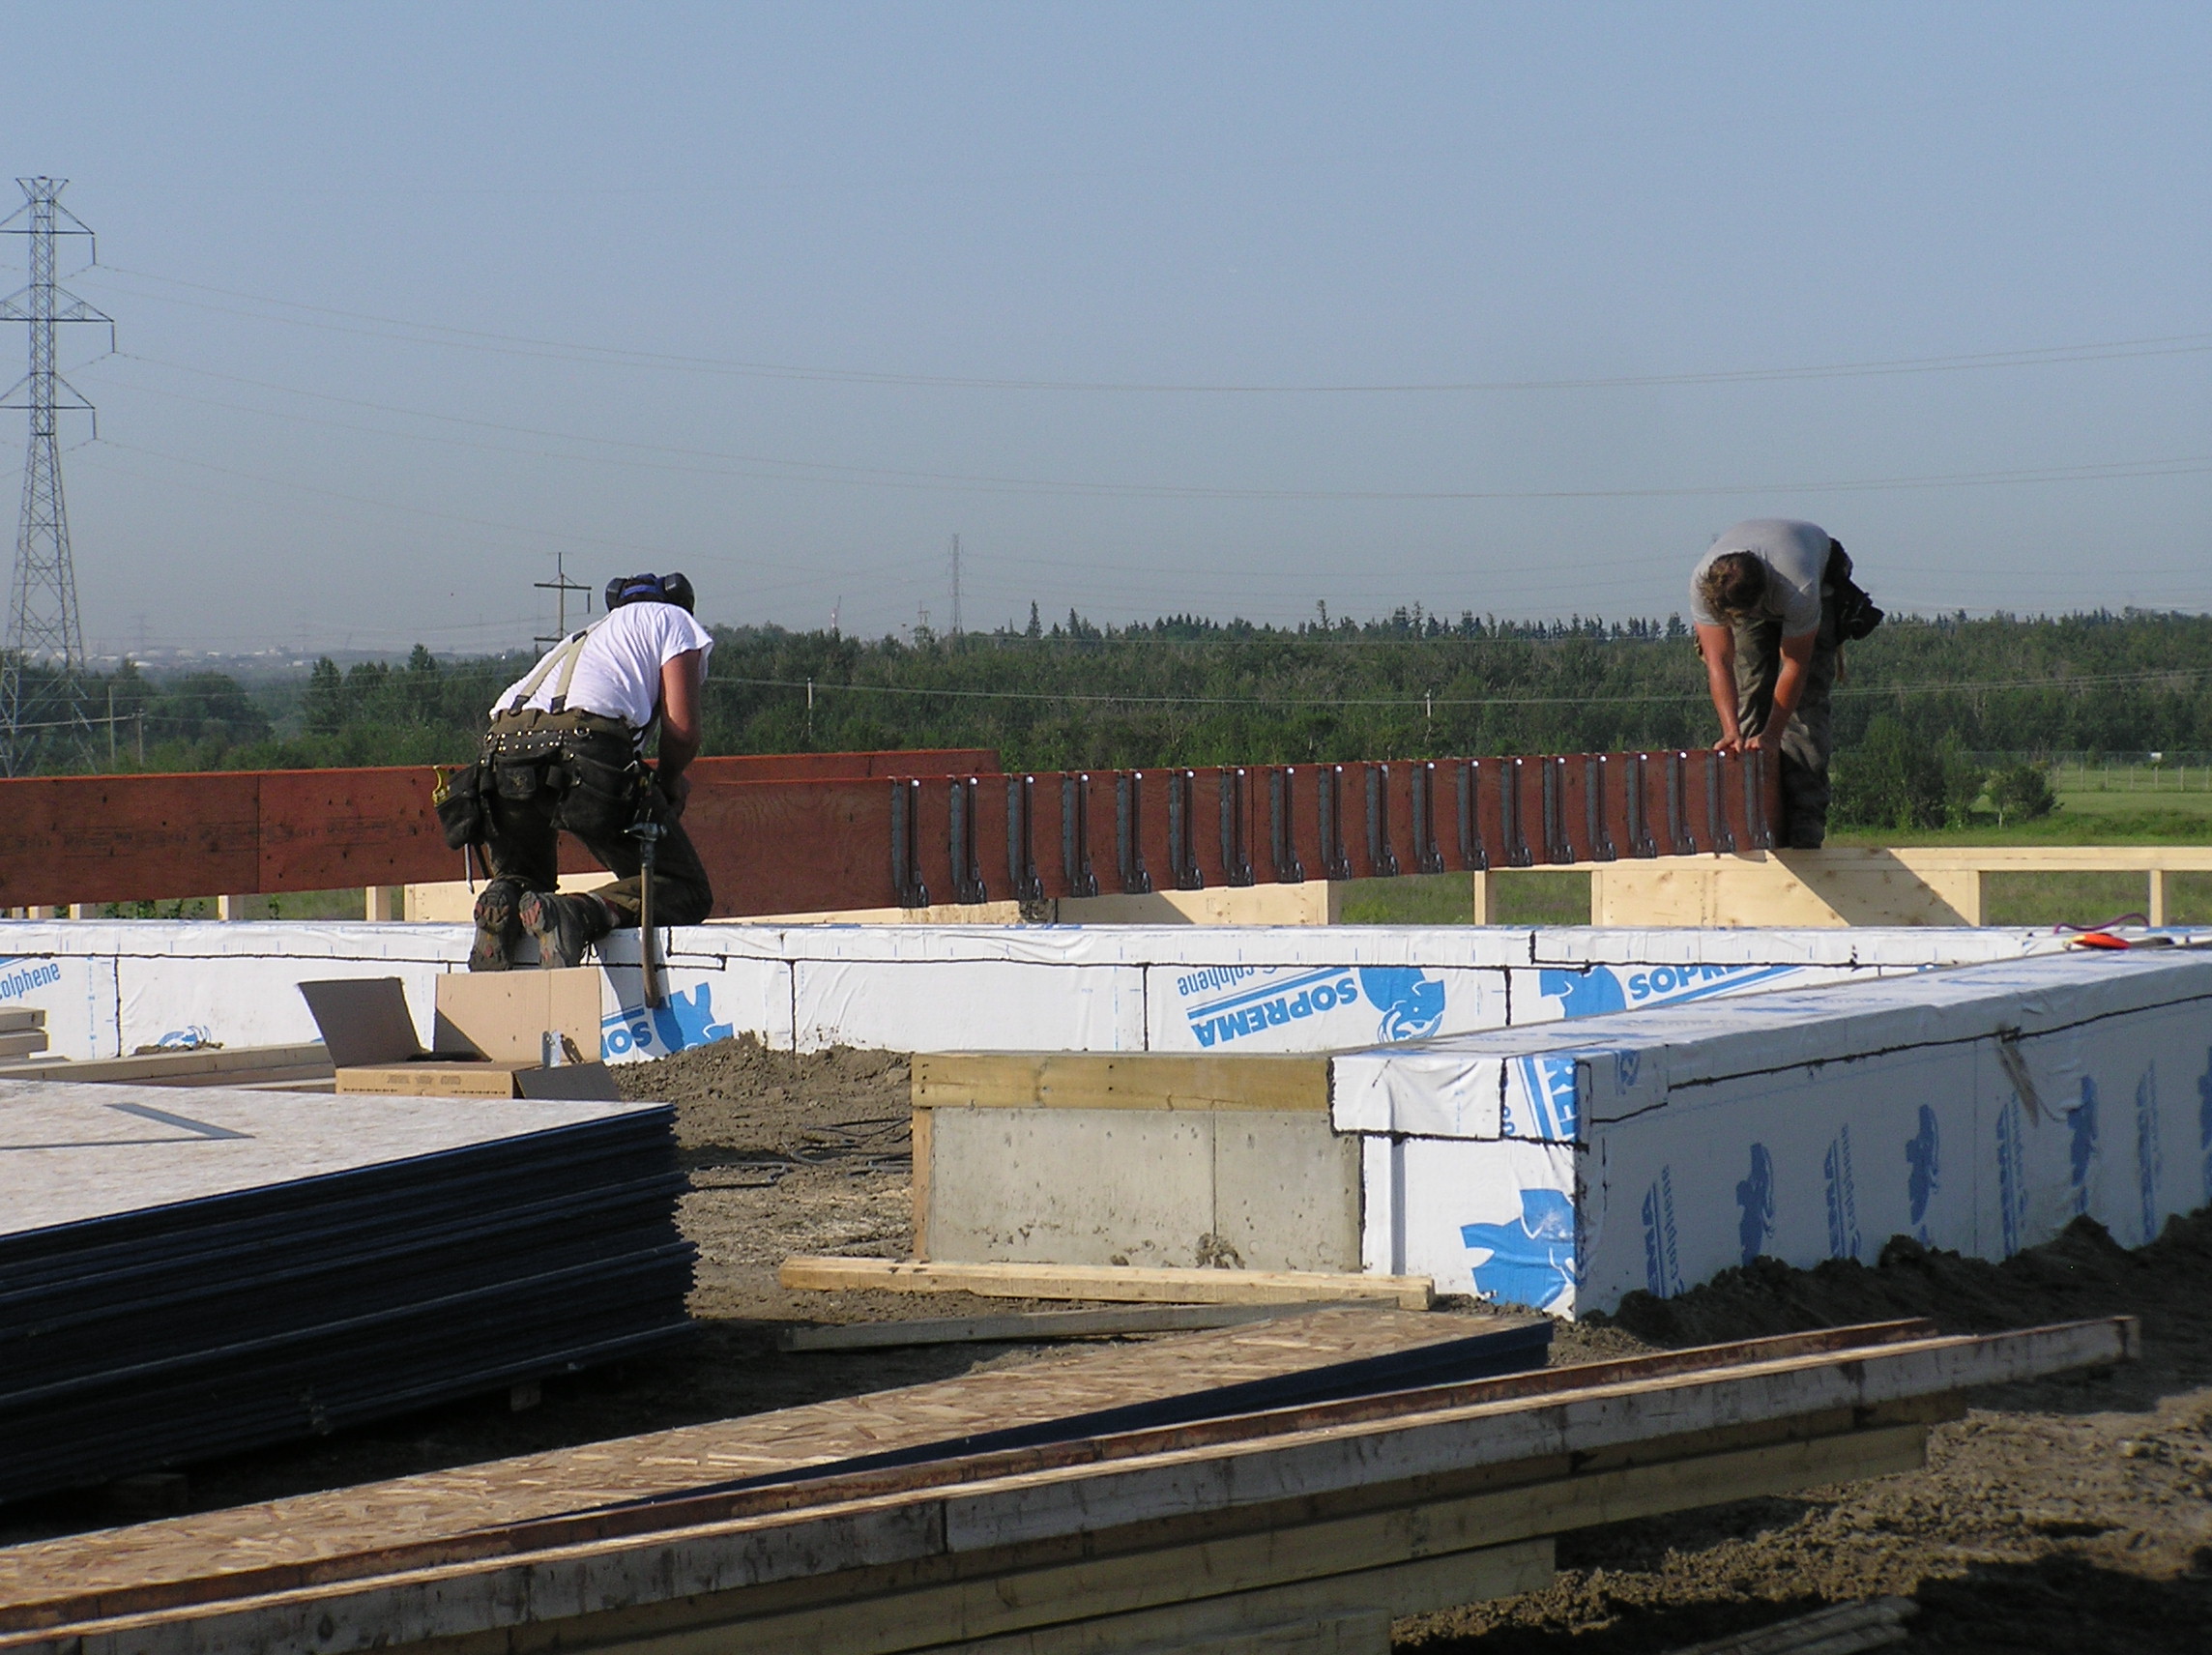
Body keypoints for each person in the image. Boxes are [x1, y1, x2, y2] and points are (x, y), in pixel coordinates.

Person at [465, 572, 715, 971]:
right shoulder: (674, 621)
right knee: (685, 888)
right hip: (580, 746)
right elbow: (682, 731)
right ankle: (577, 913)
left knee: (524, 877)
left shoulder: (585, 636)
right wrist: (667, 783)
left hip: (500, 751)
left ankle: (506, 903)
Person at [1689, 519, 1878, 849]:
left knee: (1805, 706)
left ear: (1762, 600)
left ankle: (1805, 820)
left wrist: (1774, 734)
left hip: (1819, 578)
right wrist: (1731, 730)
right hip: (1752, 585)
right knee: (1750, 692)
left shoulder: (1798, 588)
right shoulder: (1706, 584)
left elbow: (1795, 665)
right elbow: (1719, 662)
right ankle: (1747, 816)